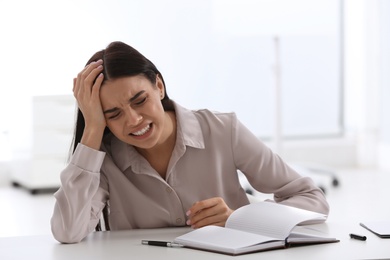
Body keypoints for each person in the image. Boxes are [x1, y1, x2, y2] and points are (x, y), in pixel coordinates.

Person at [51, 41, 329, 244]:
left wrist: (239, 218)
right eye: (113, 114)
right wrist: (93, 131)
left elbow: (312, 200)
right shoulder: (102, 158)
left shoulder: (223, 130)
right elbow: (68, 232)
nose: (134, 120)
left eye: (140, 100)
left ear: (158, 86)